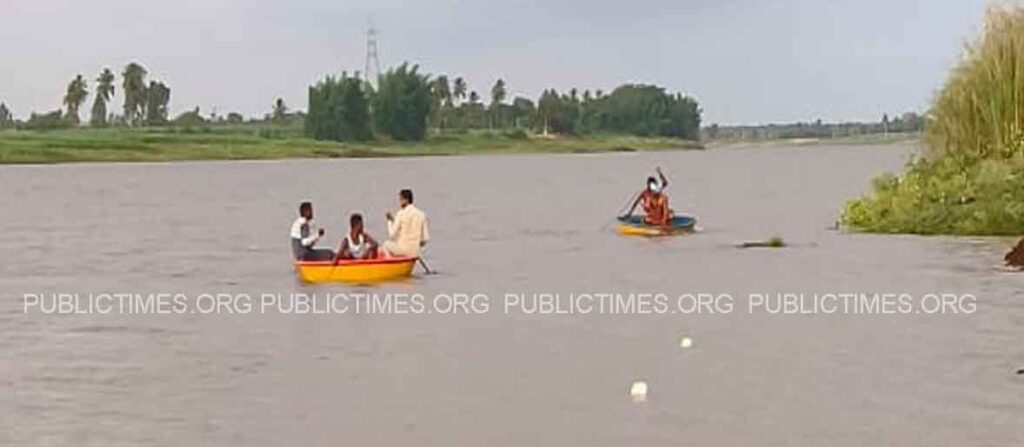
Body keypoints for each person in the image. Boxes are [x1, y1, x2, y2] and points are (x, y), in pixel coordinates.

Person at [381, 189, 430, 258]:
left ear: (406, 200)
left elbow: (392, 235)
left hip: (403, 250)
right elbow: (425, 239)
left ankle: (391, 263)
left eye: (401, 200)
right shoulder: (421, 215)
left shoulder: (401, 214)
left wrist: (389, 221)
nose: (399, 202)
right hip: (415, 252)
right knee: (398, 241)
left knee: (385, 244)